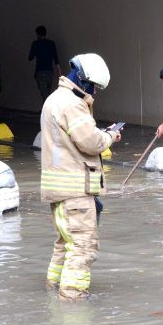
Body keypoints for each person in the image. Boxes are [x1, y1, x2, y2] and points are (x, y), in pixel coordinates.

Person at [40, 53, 121, 301]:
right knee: (83, 246)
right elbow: (90, 142)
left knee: (65, 244)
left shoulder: (54, 99)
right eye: (94, 86)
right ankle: (73, 300)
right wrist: (109, 136)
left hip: (60, 190)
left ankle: (53, 288)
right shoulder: (72, 104)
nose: (95, 92)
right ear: (84, 79)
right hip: (76, 190)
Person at [28, 25, 61, 104]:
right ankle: (46, 110)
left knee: (44, 94)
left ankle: (46, 112)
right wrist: (60, 73)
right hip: (50, 71)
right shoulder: (51, 43)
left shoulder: (35, 44)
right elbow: (56, 58)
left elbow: (30, 58)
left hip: (40, 71)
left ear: (38, 34)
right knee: (47, 94)